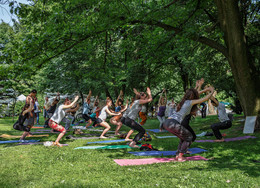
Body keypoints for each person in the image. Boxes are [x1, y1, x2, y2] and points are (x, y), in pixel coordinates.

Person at [163, 86, 214, 162]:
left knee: (183, 137)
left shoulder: (183, 101)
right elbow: (205, 99)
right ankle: (180, 156)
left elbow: (196, 93)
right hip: (173, 123)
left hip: (167, 122)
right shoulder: (190, 102)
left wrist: (205, 90)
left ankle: (178, 155)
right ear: (193, 96)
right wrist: (212, 91)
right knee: (189, 137)